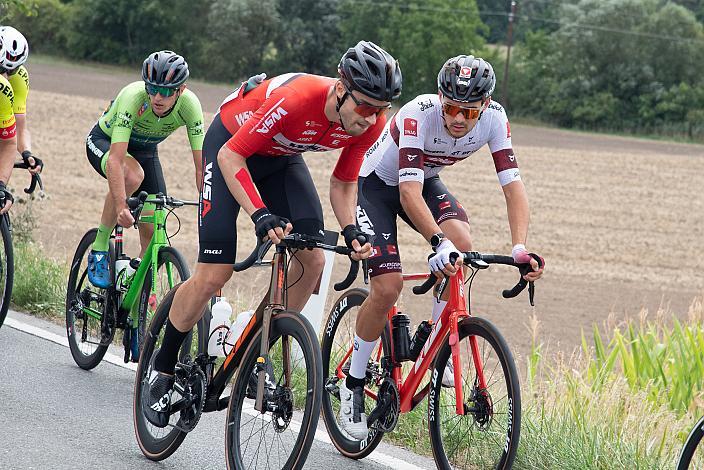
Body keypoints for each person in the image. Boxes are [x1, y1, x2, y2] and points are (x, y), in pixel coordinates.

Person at [143, 40, 402, 428]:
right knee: (216, 273)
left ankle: (249, 353)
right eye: (364, 106)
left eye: (381, 109)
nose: (371, 118)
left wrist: (350, 229)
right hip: (230, 147)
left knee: (312, 260)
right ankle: (162, 366)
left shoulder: (370, 123)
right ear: (339, 88)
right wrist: (260, 214)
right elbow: (232, 157)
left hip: (281, 158)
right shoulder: (297, 99)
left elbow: (344, 182)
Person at [339, 55, 545, 439]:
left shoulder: (496, 119)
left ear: (484, 106)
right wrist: (437, 241)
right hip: (379, 187)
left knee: (463, 245)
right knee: (387, 287)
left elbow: (513, 188)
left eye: (468, 112)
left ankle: (438, 342)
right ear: (439, 98)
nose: (458, 120)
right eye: (450, 107)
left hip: (423, 181)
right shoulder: (419, 113)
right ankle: (352, 384)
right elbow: (407, 192)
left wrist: (519, 247)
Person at [85, 50, 204, 288]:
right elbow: (116, 161)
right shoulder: (133, 96)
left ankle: (131, 281)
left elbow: (201, 170)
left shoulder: (190, 106)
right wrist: (120, 206)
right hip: (106, 143)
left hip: (146, 152)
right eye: (152, 89)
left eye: (167, 91)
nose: (158, 97)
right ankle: (99, 247)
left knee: (155, 224)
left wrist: (208, 205)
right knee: (132, 174)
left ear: (181, 90)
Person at [0, 26, 41, 213]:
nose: (6, 75)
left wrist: (27, 153)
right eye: (2, 69)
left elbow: (16, 132)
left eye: (12, 70)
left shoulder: (16, 81)